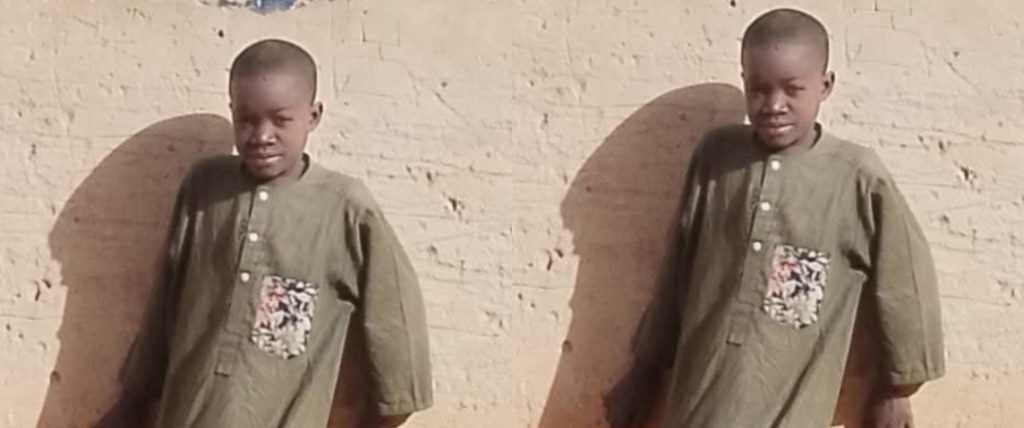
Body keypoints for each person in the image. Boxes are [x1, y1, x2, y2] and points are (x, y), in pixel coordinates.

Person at [604, 8, 944, 428]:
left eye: (793, 89)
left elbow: (905, 280)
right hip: (698, 404)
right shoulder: (716, 157)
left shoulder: (856, 177)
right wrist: (644, 370)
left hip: (792, 410)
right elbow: (677, 268)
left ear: (825, 85)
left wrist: (896, 390)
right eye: (758, 89)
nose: (774, 106)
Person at [97, 38, 432, 428]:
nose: (261, 135)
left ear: (313, 116)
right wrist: (133, 400)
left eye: (280, 120)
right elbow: (164, 298)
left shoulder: (344, 208)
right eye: (246, 120)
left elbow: (395, 327)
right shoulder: (205, 188)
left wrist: (386, 412)